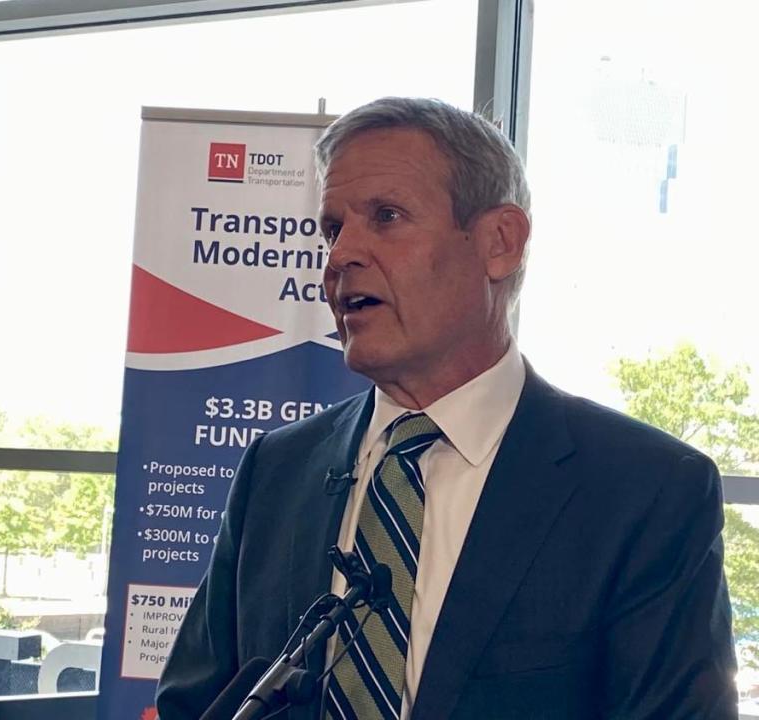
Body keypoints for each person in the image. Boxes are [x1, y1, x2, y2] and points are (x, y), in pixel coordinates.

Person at [155, 97, 738, 719]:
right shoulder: (277, 468)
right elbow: (195, 701)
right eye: (332, 228)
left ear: (499, 242)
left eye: (386, 216)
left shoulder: (646, 490)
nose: (340, 255)